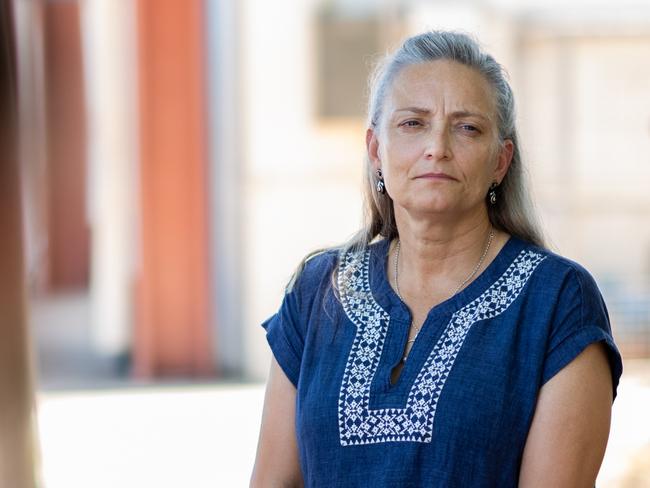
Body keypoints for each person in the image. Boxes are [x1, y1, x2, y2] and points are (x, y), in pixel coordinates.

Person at [250, 30, 623, 487]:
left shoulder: (557, 301)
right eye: (412, 123)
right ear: (375, 151)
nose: (437, 147)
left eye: (467, 127)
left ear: (500, 162)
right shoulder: (318, 292)